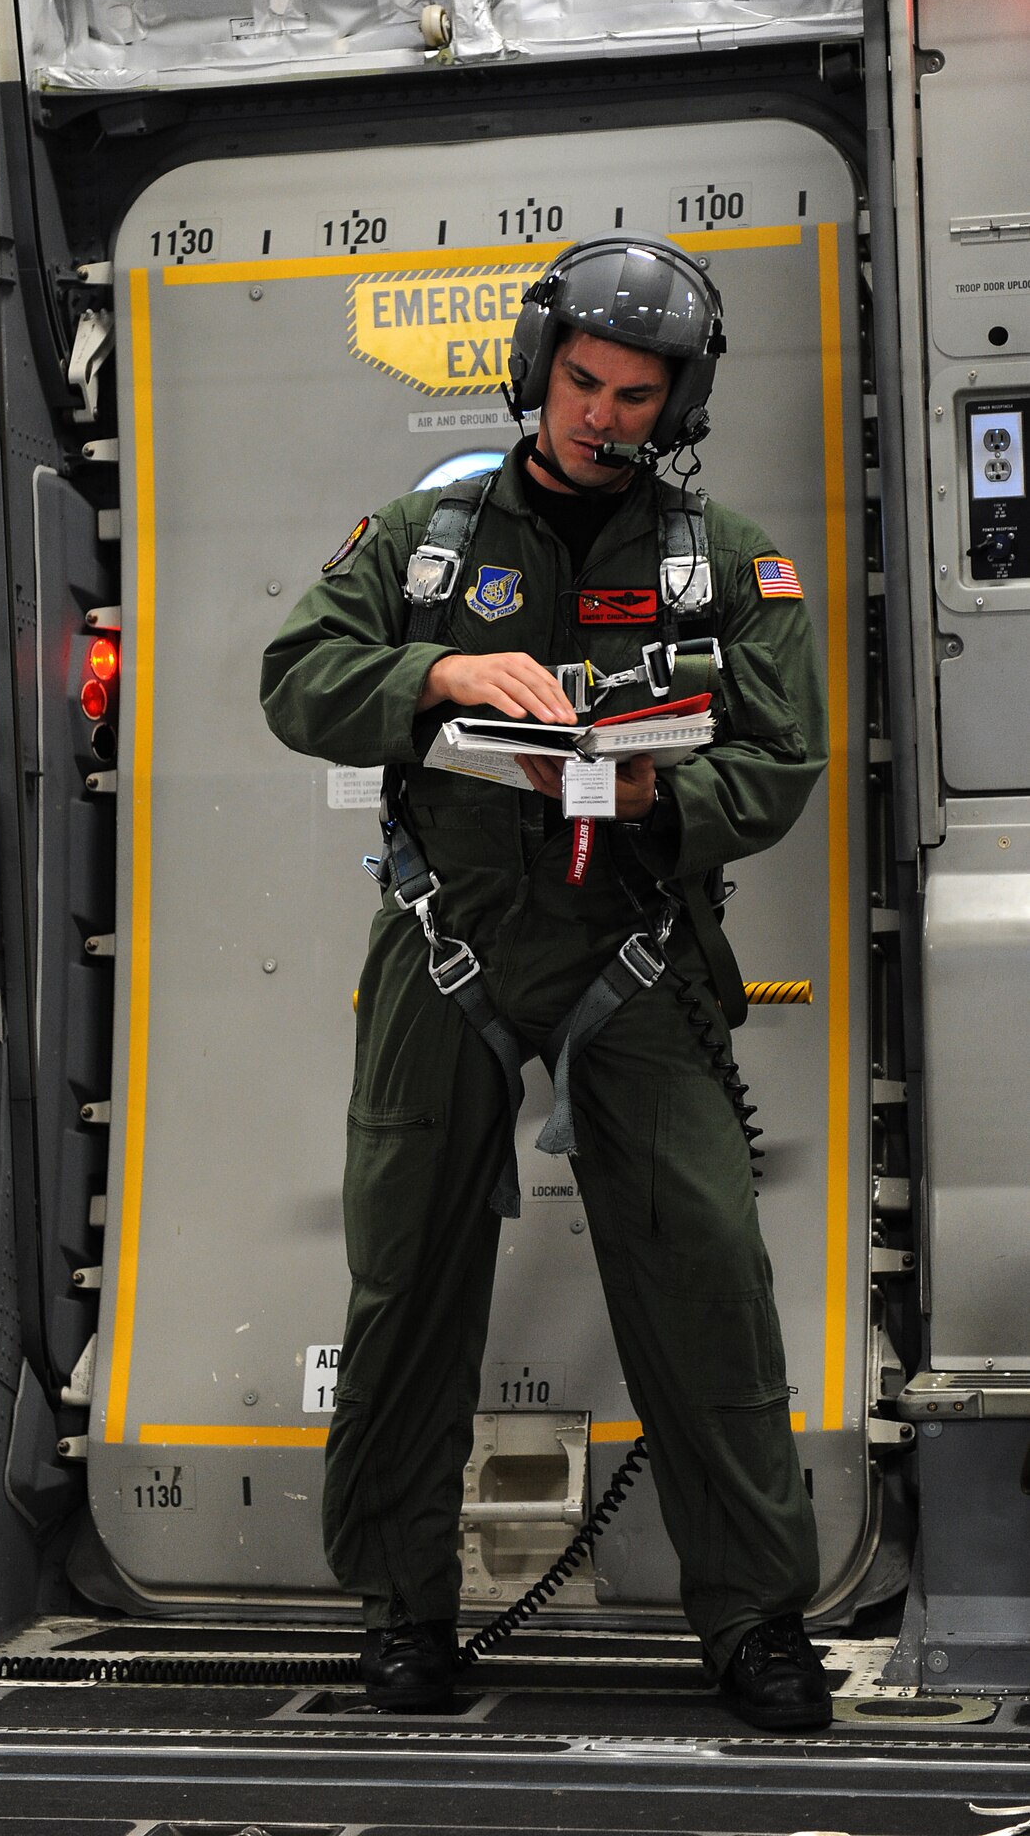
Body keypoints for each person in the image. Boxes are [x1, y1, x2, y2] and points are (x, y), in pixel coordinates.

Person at [260, 236, 832, 1732]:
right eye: (582, 383)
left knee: (708, 1277)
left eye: (636, 395)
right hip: (446, 942)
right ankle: (403, 1612)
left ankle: (759, 1619)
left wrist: (660, 802)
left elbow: (785, 764)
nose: (603, 416)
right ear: (537, 371)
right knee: (407, 1281)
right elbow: (296, 681)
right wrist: (440, 678)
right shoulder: (429, 540)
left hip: (635, 952)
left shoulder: (728, 565)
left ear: (675, 401)